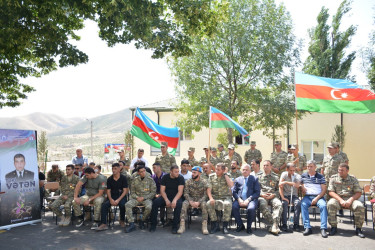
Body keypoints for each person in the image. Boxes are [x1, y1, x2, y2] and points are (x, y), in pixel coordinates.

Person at [327, 163, 365, 238]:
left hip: (351, 199)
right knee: (330, 203)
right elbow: (331, 191)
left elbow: (358, 192)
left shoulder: (353, 179)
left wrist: (350, 200)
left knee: (360, 206)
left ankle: (358, 229)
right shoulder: (334, 178)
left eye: (342, 170)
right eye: (339, 170)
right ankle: (333, 227)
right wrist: (341, 200)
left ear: (347, 171)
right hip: (338, 199)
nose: (339, 172)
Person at [150, 165, 185, 234]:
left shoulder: (180, 178)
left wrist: (174, 200)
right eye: (175, 172)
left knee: (178, 205)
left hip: (176, 197)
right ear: (171, 172)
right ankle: (153, 225)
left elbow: (180, 192)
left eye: (178, 171)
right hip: (166, 196)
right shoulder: (165, 177)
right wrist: (166, 200)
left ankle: (174, 226)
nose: (177, 173)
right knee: (155, 203)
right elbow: (162, 191)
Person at [96, 163, 129, 231]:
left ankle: (122, 220)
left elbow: (125, 191)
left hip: (121, 196)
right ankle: (103, 224)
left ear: (119, 169)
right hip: (112, 196)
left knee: (123, 205)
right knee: (104, 206)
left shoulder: (123, 178)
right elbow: (108, 191)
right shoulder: (110, 179)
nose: (113, 170)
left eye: (115, 169)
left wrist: (118, 200)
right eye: (112, 169)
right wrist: (111, 200)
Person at [300, 160, 328, 238]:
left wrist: (316, 198)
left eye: (311, 166)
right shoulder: (303, 176)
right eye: (308, 166)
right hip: (307, 197)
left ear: (315, 167)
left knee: (323, 206)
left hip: (318, 197)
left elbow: (324, 190)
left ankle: (323, 228)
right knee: (303, 204)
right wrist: (302, 187)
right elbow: (299, 184)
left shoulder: (320, 176)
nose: (309, 168)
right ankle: (307, 227)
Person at [177, 166, 209, 235]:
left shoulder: (204, 182)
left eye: (194, 173)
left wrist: (199, 202)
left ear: (199, 173)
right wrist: (190, 201)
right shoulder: (188, 181)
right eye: (192, 172)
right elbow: (185, 193)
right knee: (184, 204)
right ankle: (182, 225)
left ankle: (204, 225)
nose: (192, 174)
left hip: (200, 200)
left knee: (204, 204)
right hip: (190, 200)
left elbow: (205, 195)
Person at [124, 165, 155, 233]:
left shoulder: (150, 180)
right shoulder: (135, 180)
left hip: (146, 198)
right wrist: (137, 197)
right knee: (127, 205)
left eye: (144, 171)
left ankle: (142, 220)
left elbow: (153, 193)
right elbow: (132, 192)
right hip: (136, 198)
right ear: (138, 173)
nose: (143, 172)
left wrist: (144, 198)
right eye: (141, 172)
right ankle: (131, 224)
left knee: (149, 207)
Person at [232, 164, 260, 234]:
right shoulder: (238, 179)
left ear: (250, 171)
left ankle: (249, 227)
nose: (245, 171)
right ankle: (240, 225)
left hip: (251, 200)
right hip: (240, 199)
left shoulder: (254, 179)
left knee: (251, 208)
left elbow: (257, 192)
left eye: (246, 170)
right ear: (241, 171)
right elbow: (234, 192)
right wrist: (238, 199)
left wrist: (249, 199)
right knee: (234, 207)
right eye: (243, 170)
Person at [206, 162, 234, 234]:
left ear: (223, 170)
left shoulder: (228, 175)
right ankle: (215, 225)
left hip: (225, 197)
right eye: (216, 169)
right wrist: (211, 198)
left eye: (218, 170)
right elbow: (209, 189)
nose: (216, 171)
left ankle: (225, 225)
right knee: (209, 203)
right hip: (215, 197)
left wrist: (225, 175)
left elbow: (231, 185)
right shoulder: (211, 176)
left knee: (227, 204)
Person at [258, 160, 282, 235]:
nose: (265, 167)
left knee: (279, 205)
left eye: (267, 165)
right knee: (262, 205)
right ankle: (274, 224)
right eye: (264, 165)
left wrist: (274, 195)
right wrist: (261, 194)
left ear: (271, 166)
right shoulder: (258, 176)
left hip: (273, 196)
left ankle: (273, 225)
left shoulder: (276, 177)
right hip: (263, 196)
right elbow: (256, 189)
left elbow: (279, 190)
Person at [279, 163, 301, 232]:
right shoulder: (284, 174)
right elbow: (280, 185)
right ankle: (284, 224)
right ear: (287, 169)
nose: (292, 172)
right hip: (285, 195)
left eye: (293, 170)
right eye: (290, 170)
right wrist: (282, 197)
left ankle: (296, 224)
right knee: (284, 203)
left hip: (294, 195)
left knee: (298, 203)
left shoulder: (297, 175)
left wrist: (286, 182)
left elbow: (297, 185)